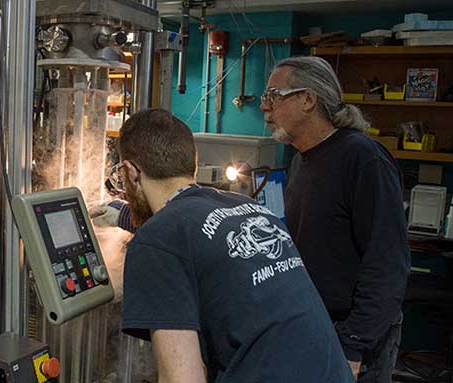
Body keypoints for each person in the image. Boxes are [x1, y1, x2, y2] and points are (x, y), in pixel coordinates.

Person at [108, 108, 354, 382]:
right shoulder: (247, 207)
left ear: (129, 172)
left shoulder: (157, 238)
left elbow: (183, 378)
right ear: (192, 162)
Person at [259, 56, 410, 382]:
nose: (265, 109)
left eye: (273, 96)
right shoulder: (302, 161)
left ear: (308, 99)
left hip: (354, 334)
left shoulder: (362, 157)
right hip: (315, 323)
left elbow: (387, 263)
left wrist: (354, 343)